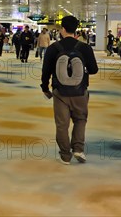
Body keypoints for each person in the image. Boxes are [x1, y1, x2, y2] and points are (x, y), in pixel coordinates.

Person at [40, 16, 98, 165]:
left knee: (62, 124)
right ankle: (78, 149)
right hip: (80, 92)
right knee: (80, 119)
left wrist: (45, 88)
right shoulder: (84, 48)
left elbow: (46, 70)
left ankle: (65, 155)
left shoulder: (54, 48)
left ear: (62, 30)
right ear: (76, 29)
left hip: (60, 93)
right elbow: (93, 70)